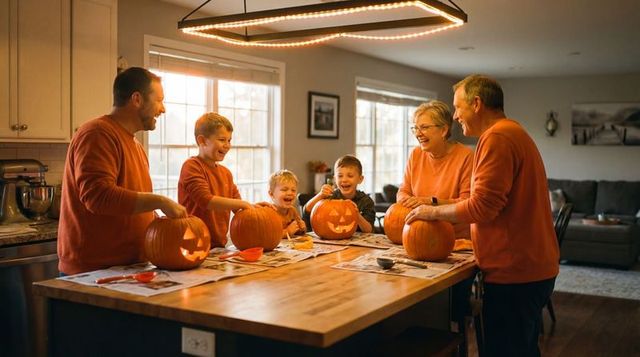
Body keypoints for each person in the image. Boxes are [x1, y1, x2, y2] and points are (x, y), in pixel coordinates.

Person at [406, 74, 559, 357]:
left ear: (476, 104)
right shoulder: (511, 131)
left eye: (458, 107)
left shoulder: (497, 138)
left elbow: (482, 207)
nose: (455, 116)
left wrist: (431, 211)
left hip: (516, 269)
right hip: (530, 266)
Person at [58, 67, 187, 275]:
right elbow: (98, 197)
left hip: (129, 267)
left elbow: (131, 206)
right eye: (159, 100)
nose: (162, 109)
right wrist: (160, 201)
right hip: (93, 272)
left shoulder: (134, 144)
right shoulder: (97, 134)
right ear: (137, 99)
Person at [396, 100, 474, 331]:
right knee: (405, 298)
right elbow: (403, 191)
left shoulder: (464, 156)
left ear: (443, 129)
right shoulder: (415, 156)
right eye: (415, 128)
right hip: (417, 240)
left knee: (447, 308)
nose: (418, 134)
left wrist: (429, 202)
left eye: (424, 127)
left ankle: (447, 338)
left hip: (457, 243)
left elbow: (468, 203)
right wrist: (407, 200)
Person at [178, 112, 272, 248]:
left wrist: (255, 208)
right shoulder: (192, 166)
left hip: (219, 245)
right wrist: (243, 203)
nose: (227, 145)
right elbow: (205, 200)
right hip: (192, 243)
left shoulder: (226, 173)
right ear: (202, 141)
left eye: (229, 140)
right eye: (222, 140)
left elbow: (237, 207)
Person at [303, 155, 376, 233]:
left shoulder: (366, 201)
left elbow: (368, 230)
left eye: (350, 176)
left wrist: (357, 214)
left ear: (360, 179)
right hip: (331, 239)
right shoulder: (330, 196)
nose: (344, 180)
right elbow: (307, 211)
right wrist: (320, 195)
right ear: (335, 179)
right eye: (340, 176)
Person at [268, 169, 307, 239]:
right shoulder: (269, 213)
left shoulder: (292, 211)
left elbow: (297, 232)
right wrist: (287, 232)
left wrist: (301, 228)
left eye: (293, 190)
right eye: (284, 190)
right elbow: (269, 236)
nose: (290, 193)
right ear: (271, 194)